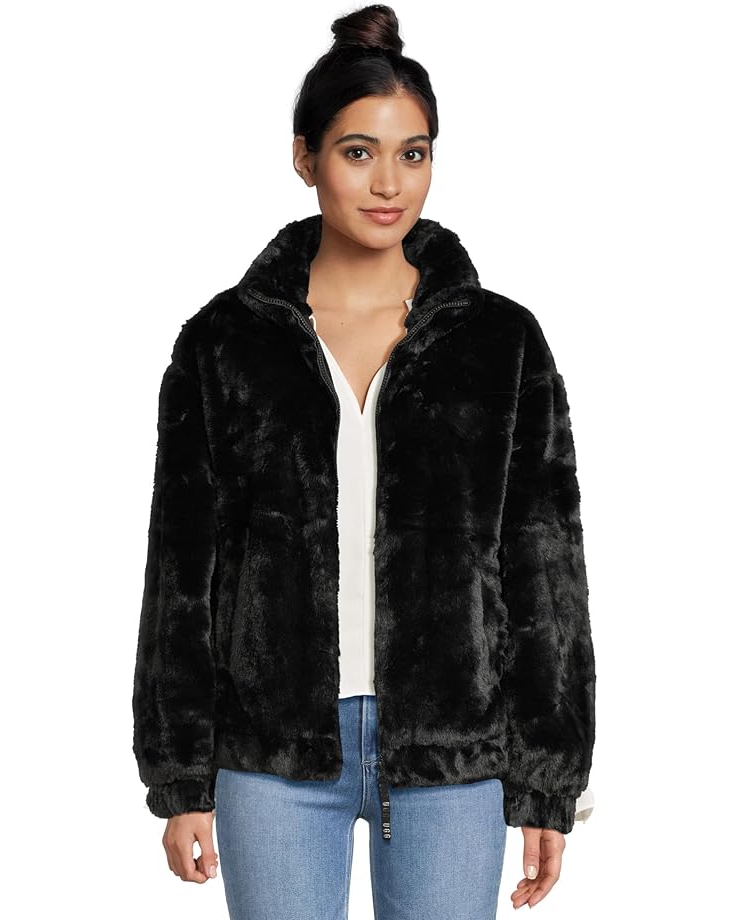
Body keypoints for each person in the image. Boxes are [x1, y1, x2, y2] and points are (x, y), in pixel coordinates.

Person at [131, 4, 597, 917]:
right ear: (304, 157)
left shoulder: (499, 342)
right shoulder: (225, 343)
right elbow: (181, 573)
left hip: (452, 752)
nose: (389, 183)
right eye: (358, 152)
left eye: (412, 153)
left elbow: (546, 571)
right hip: (270, 753)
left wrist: (549, 780)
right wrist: (180, 774)